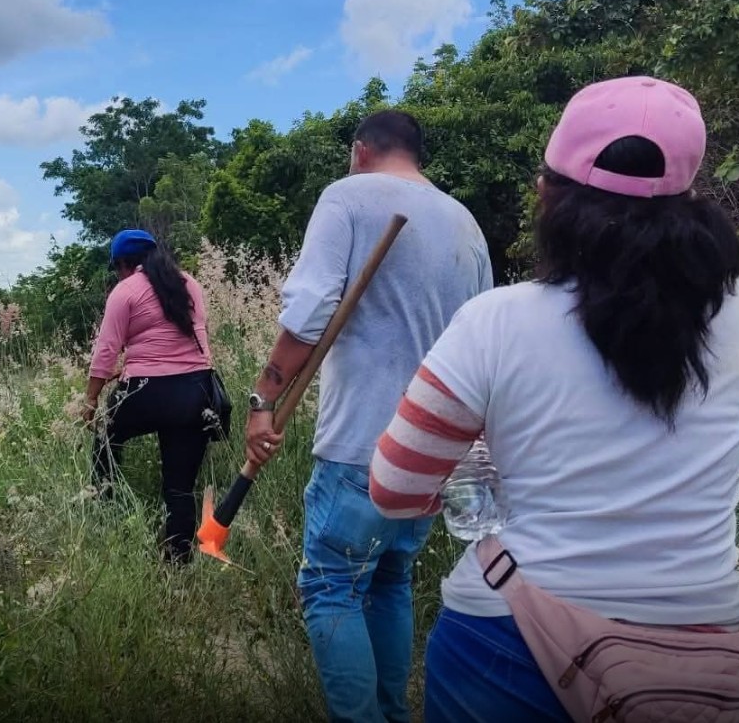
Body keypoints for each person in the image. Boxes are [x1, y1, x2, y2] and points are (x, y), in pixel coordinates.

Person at [367, 76, 739, 721]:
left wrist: (487, 457)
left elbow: (395, 490)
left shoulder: (495, 322)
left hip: (508, 640)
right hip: (700, 652)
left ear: (548, 194)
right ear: (691, 198)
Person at [245, 110, 493, 723]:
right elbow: (484, 335)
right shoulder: (466, 224)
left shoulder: (348, 198)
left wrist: (263, 399)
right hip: (437, 450)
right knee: (389, 581)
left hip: (363, 444)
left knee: (331, 585)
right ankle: (391, 714)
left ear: (360, 151)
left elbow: (308, 311)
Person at [83, 229, 216, 565]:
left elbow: (106, 349)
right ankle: (178, 561)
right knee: (179, 485)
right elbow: (189, 339)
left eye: (116, 267)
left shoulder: (125, 290)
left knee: (104, 438)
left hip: (146, 392)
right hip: (195, 391)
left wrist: (90, 401)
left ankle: (105, 508)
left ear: (125, 264)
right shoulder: (189, 284)